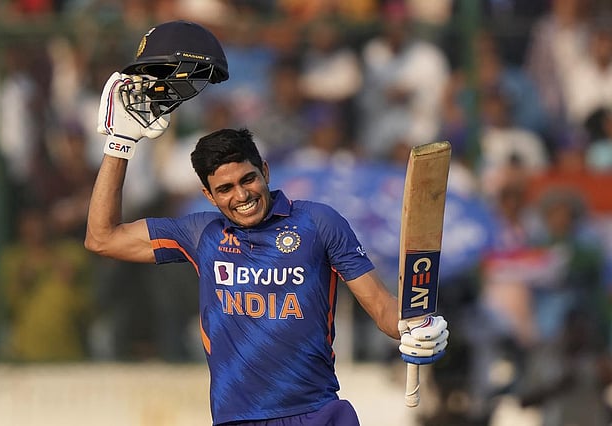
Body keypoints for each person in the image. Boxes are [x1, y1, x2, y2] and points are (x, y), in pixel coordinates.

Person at [84, 20, 449, 425]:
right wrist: (119, 145)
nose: (241, 196)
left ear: (266, 172)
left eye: (248, 179)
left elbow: (381, 307)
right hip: (239, 419)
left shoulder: (318, 222)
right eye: (225, 189)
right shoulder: (201, 233)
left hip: (317, 414)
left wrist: (413, 326)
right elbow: (102, 238)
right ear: (209, 196)